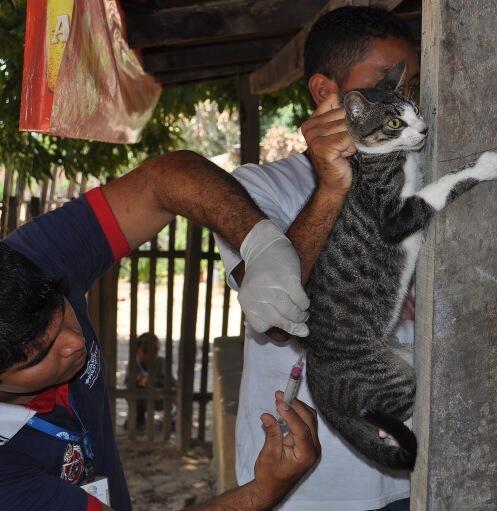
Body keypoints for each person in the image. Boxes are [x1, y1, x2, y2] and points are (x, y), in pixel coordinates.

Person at [0, 150, 320, 510]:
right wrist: (264, 493)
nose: (76, 342)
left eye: (63, 308)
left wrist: (261, 242)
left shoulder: (32, 261)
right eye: (42, 353)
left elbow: (162, 180)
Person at [215, 7, 419, 511]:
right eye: (389, 82)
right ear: (326, 93)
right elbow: (280, 320)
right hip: (306, 488)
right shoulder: (255, 190)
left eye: (412, 85)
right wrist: (332, 187)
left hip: (409, 474)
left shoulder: (409, 180)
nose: (405, 99)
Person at [123, 332, 176, 431]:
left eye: (154, 351)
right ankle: (138, 418)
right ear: (138, 350)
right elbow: (127, 383)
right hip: (141, 399)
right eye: (145, 351)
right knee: (132, 424)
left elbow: (173, 384)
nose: (150, 354)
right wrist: (138, 381)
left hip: (161, 398)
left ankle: (171, 420)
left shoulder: (162, 363)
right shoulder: (133, 364)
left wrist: (157, 380)